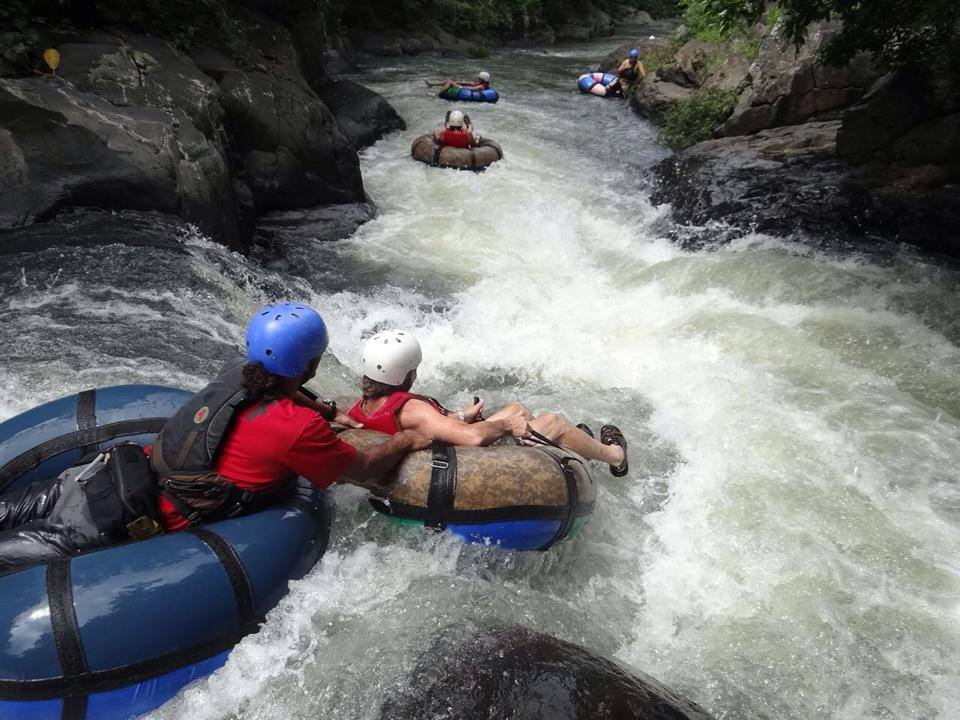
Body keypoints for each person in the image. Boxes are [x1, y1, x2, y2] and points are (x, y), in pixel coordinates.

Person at [0, 303, 429, 571]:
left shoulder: (237, 373)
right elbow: (366, 469)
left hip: (89, 480)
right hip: (102, 526)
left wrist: (325, 408)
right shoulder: (298, 430)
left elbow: (284, 387)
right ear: (312, 364)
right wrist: (406, 440)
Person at [346, 330, 629, 477]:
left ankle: (572, 447)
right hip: (467, 461)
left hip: (442, 452)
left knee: (518, 407)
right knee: (553, 422)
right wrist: (507, 426)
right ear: (407, 374)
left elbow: (428, 427)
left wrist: (461, 415)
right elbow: (473, 437)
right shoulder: (411, 408)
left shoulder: (362, 406)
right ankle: (615, 455)